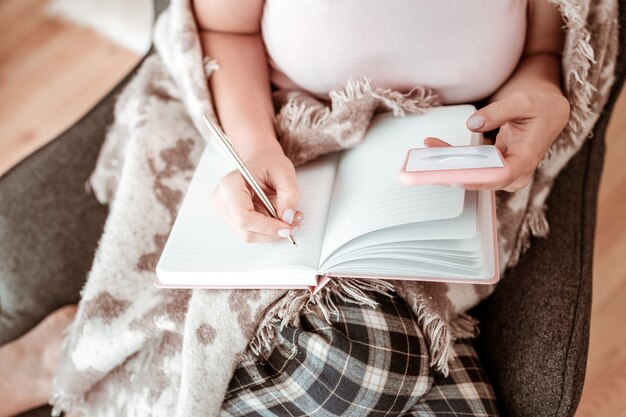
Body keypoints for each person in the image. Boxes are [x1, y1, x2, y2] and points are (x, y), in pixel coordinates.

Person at [0, 0, 570, 415]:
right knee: (372, 365)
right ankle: (95, 363)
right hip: (285, 130)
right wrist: (251, 146)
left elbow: (545, 49)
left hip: (445, 176)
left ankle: (91, 368)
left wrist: (543, 97)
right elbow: (222, 28)